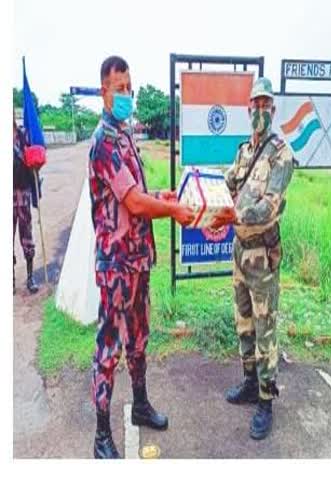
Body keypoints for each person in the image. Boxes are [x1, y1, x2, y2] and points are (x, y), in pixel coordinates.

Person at [88, 55, 195, 459]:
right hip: (116, 266)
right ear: (104, 91)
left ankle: (141, 404)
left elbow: (139, 191)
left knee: (139, 340)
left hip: (138, 261)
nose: (127, 95)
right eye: (120, 89)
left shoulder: (126, 134)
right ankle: (101, 435)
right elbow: (132, 201)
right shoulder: (104, 140)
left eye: (129, 88)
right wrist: (172, 211)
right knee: (109, 348)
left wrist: (165, 196)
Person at [210, 77, 295, 441]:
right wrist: (206, 205)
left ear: (273, 110)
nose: (260, 110)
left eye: (266, 105)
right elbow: (226, 185)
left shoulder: (282, 154)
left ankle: (266, 400)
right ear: (248, 110)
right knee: (243, 322)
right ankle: (248, 383)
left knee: (265, 329)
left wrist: (233, 216)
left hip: (262, 252)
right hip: (239, 251)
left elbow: (268, 206)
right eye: (255, 104)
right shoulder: (244, 151)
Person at [13, 119, 39, 294]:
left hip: (23, 191)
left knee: (26, 235)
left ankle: (30, 277)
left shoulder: (23, 136)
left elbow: (33, 159)